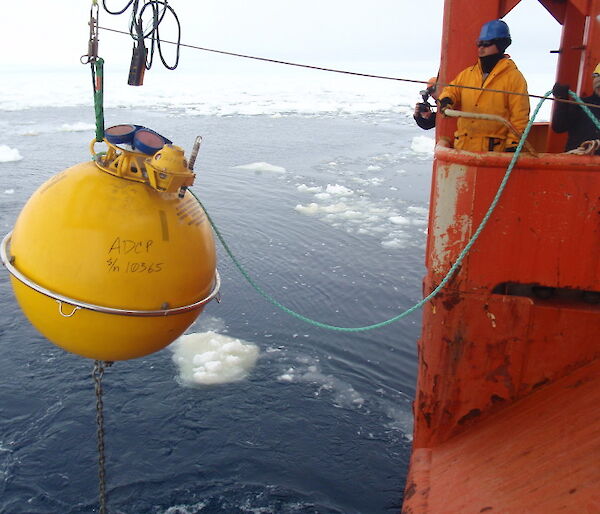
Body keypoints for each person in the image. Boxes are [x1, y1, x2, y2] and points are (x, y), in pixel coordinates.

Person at [436, 19, 530, 152]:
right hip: (463, 150)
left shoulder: (514, 79)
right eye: (479, 44)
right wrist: (446, 99)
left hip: (492, 154)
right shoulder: (467, 74)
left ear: (500, 45)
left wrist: (513, 146)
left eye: (486, 44)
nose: (481, 48)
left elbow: (520, 117)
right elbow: (452, 90)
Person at [551, 64, 600, 154]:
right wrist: (561, 99)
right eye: (597, 77)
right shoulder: (580, 104)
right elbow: (559, 127)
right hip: (577, 163)